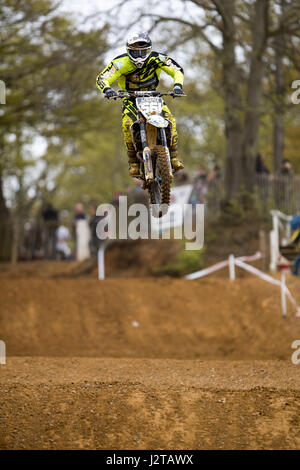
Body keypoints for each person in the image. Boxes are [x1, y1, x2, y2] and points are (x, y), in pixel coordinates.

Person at [96, 32, 185, 177]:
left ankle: (174, 157)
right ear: (128, 51)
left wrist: (177, 86)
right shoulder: (121, 62)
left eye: (142, 52)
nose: (138, 56)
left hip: (153, 96)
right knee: (127, 123)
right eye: (134, 52)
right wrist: (107, 89)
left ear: (149, 50)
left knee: (170, 120)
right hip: (130, 98)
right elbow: (103, 77)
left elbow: (176, 69)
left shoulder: (157, 58)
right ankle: (133, 162)